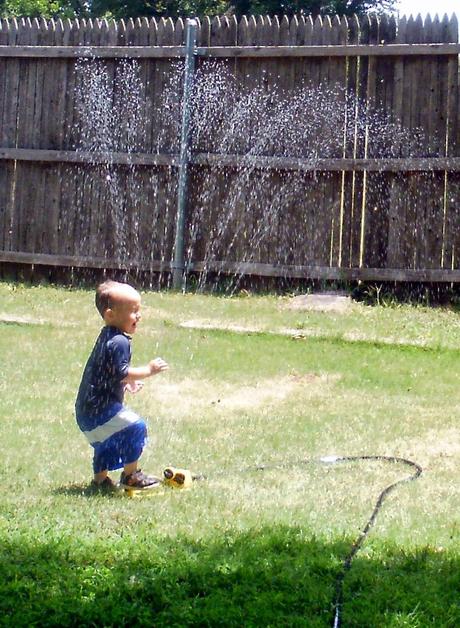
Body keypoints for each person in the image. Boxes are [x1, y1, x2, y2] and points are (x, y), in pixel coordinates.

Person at [75, 280, 168, 492]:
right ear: (110, 315)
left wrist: (127, 383)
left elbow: (107, 371)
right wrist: (149, 370)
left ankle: (100, 481)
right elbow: (121, 372)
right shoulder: (119, 342)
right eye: (133, 311)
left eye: (139, 310)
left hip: (86, 411)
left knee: (108, 439)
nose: (139, 316)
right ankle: (131, 476)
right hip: (100, 411)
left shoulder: (108, 335)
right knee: (136, 427)